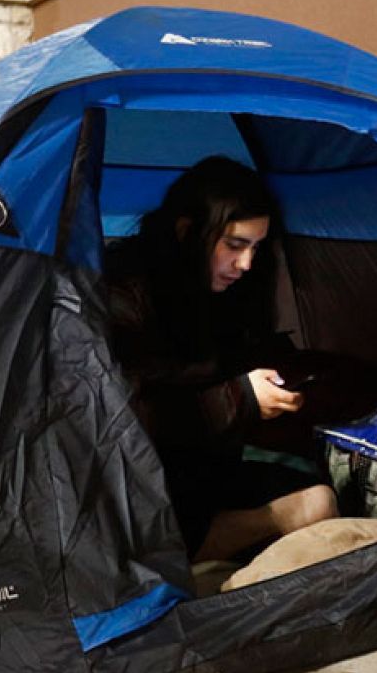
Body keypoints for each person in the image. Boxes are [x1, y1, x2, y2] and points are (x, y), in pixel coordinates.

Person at [105, 155, 337, 564]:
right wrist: (242, 397)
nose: (245, 264)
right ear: (187, 231)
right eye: (234, 245)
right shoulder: (124, 293)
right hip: (134, 493)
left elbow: (230, 365)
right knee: (313, 508)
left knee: (323, 493)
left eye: (255, 247)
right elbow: (126, 420)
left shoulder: (224, 291)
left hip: (205, 472)